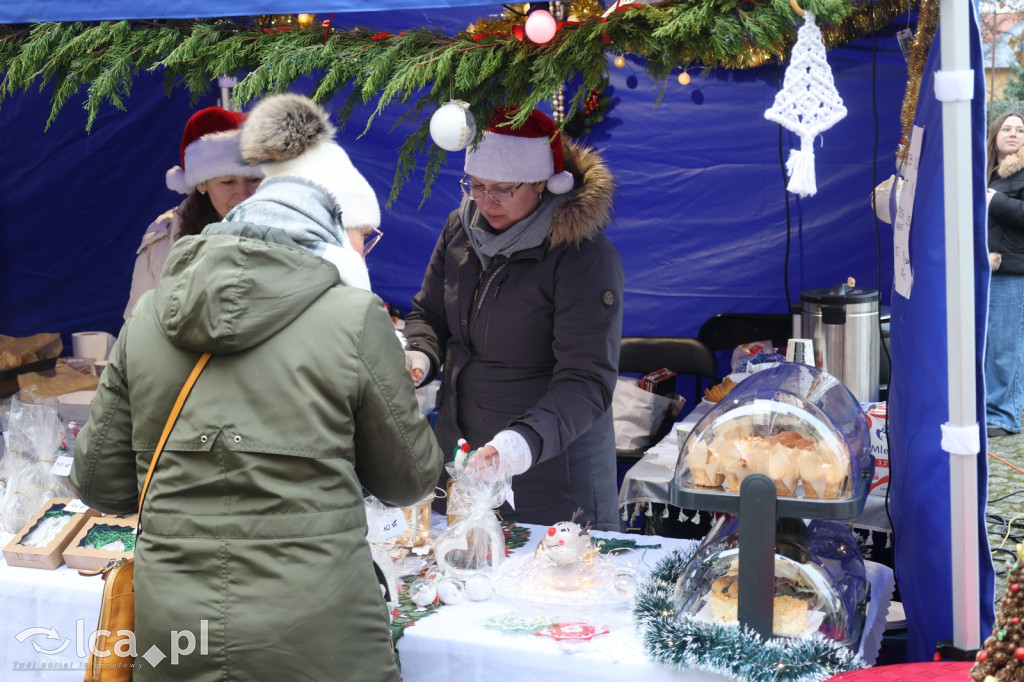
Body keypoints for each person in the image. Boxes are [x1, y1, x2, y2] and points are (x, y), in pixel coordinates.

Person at [71, 93, 442, 681]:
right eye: (363, 237)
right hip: (319, 636)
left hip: (178, 635)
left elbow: (98, 482)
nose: (365, 251)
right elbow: (410, 479)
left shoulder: (148, 319)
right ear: (331, 230)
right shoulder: (354, 318)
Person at [402, 105, 624, 531]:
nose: (487, 202)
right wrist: (421, 356)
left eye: (503, 189)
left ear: (543, 182)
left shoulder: (582, 257)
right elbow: (429, 314)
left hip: (548, 477)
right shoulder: (459, 229)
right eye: (476, 185)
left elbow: (586, 381)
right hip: (462, 459)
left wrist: (517, 446)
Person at [124, 106, 263, 318]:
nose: (243, 194)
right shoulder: (162, 247)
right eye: (228, 182)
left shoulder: (291, 231)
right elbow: (137, 333)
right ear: (201, 183)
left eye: (253, 179)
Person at [985, 110, 1024, 438]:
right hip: (983, 270)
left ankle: (1005, 415)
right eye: (1008, 128)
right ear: (995, 135)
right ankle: (989, 411)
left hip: (1012, 270)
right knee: (988, 346)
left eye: (1021, 130)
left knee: (1005, 349)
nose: (1014, 133)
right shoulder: (987, 173)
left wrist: (996, 201)